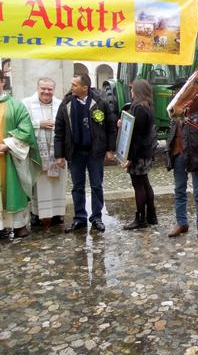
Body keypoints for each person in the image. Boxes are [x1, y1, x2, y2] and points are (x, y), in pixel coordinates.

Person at [54, 74, 116, 233]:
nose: (71, 87)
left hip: (95, 152)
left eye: (75, 84)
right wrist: (59, 155)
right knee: (77, 186)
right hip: (75, 152)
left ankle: (96, 217)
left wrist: (110, 149)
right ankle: (80, 218)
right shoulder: (66, 103)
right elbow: (59, 130)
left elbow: (110, 126)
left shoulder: (100, 102)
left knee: (96, 185)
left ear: (84, 88)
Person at [166, 82, 198, 241]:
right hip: (178, 156)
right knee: (179, 191)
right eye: (175, 92)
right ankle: (182, 223)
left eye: (178, 92)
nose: (175, 95)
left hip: (195, 157)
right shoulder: (175, 111)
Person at [0, 70, 41, 239]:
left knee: (14, 190)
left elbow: (26, 132)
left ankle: (18, 226)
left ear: (2, 81)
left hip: (10, 158)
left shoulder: (16, 105)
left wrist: (6, 145)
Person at [23, 77, 67, 227]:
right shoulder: (27, 104)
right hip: (37, 154)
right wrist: (38, 124)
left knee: (57, 184)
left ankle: (57, 213)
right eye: (43, 89)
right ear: (38, 88)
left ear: (53, 90)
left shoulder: (61, 104)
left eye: (49, 89)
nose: (46, 92)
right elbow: (22, 125)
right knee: (38, 185)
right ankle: (36, 213)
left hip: (57, 152)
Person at [121, 79, 158, 230]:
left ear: (137, 91)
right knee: (145, 183)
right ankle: (151, 217)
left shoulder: (139, 108)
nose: (130, 92)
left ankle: (140, 219)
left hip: (139, 154)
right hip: (145, 152)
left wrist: (130, 158)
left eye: (132, 89)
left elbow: (135, 137)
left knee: (139, 186)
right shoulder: (147, 106)